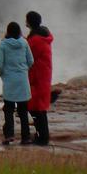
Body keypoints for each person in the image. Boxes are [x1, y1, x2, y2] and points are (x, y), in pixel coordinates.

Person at [0, 20, 34, 145]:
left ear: (7, 31)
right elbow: (31, 61)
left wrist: (3, 74)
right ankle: (26, 137)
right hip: (22, 80)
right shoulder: (24, 43)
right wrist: (23, 71)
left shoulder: (3, 45)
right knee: (23, 111)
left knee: (8, 109)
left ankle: (9, 135)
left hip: (9, 81)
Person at [25, 10, 54, 146]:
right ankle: (42, 136)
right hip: (43, 75)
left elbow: (28, 57)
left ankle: (42, 137)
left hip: (37, 77)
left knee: (37, 108)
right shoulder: (41, 36)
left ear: (29, 22)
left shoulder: (35, 39)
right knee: (38, 108)